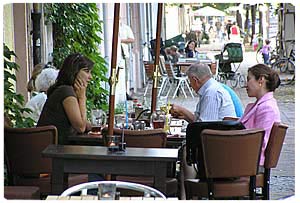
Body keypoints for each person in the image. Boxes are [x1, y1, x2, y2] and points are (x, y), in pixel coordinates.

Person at [37, 53, 93, 145]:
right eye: (87, 71)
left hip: (53, 148)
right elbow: (80, 127)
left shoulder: (65, 90)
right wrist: (82, 98)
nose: (90, 77)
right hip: (53, 152)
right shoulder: (66, 92)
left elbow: (83, 123)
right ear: (74, 71)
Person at [239, 64, 281, 166]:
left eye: (249, 79)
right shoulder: (260, 105)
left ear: (261, 80)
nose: (245, 84)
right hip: (246, 160)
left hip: (250, 164)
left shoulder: (267, 108)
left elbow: (260, 143)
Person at [170, 63, 236, 123]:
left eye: (190, 81)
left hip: (218, 135)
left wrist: (182, 110)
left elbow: (204, 126)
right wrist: (183, 113)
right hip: (218, 132)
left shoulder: (211, 93)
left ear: (195, 80)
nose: (190, 85)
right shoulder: (210, 89)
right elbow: (199, 121)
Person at [119, 21, 135, 100]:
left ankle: (125, 92)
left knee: (125, 74)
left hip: (125, 54)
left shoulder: (125, 28)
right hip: (117, 54)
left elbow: (132, 39)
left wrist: (121, 41)